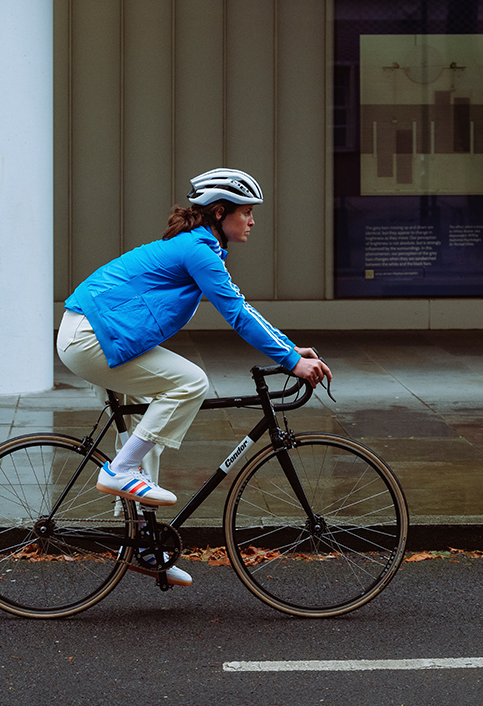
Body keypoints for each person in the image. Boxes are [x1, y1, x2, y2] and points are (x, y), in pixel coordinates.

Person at [57, 168, 332, 586]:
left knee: (145, 433)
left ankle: (144, 546)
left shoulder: (199, 248)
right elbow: (238, 315)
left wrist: (290, 351)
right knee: (190, 382)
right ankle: (118, 473)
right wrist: (292, 362)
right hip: (92, 337)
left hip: (95, 332)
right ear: (219, 212)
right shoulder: (197, 251)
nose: (253, 221)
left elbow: (241, 306)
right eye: (246, 212)